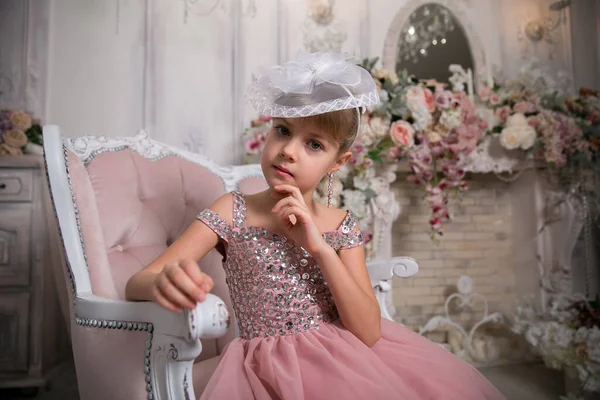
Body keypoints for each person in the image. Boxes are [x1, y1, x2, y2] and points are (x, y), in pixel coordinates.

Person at [125, 52, 506, 400]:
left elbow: (368, 332)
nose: (289, 150)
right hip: (261, 369)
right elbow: (136, 283)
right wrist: (164, 281)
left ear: (337, 163)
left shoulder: (340, 224)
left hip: (346, 361)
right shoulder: (233, 211)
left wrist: (320, 248)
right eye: (284, 131)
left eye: (314, 145)